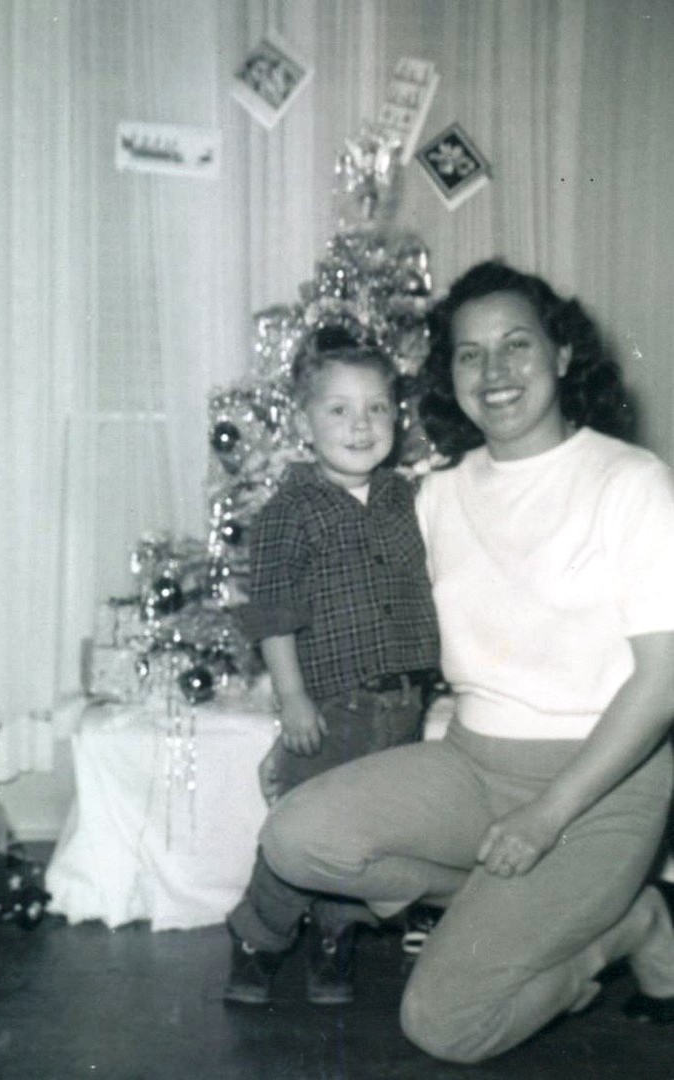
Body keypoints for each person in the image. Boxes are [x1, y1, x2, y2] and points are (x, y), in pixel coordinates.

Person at [258, 260, 674, 1063]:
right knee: (295, 836)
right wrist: (297, 707)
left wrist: (547, 817)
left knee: (445, 1025)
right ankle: (535, 906)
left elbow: (662, 686)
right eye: (469, 354)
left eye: (517, 344)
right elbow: (350, 608)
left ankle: (622, 927)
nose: (495, 371)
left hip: (602, 785)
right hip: (473, 763)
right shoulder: (435, 494)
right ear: (449, 376)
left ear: (562, 353)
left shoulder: (633, 483)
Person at [224, 332, 440, 1007]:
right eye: (339, 410)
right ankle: (258, 936)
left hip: (402, 703)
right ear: (304, 421)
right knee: (304, 826)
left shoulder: (407, 500)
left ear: (396, 418)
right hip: (331, 705)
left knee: (365, 833)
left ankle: (334, 937)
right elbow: (273, 614)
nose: (360, 425)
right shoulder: (289, 512)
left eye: (376, 408)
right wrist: (292, 697)